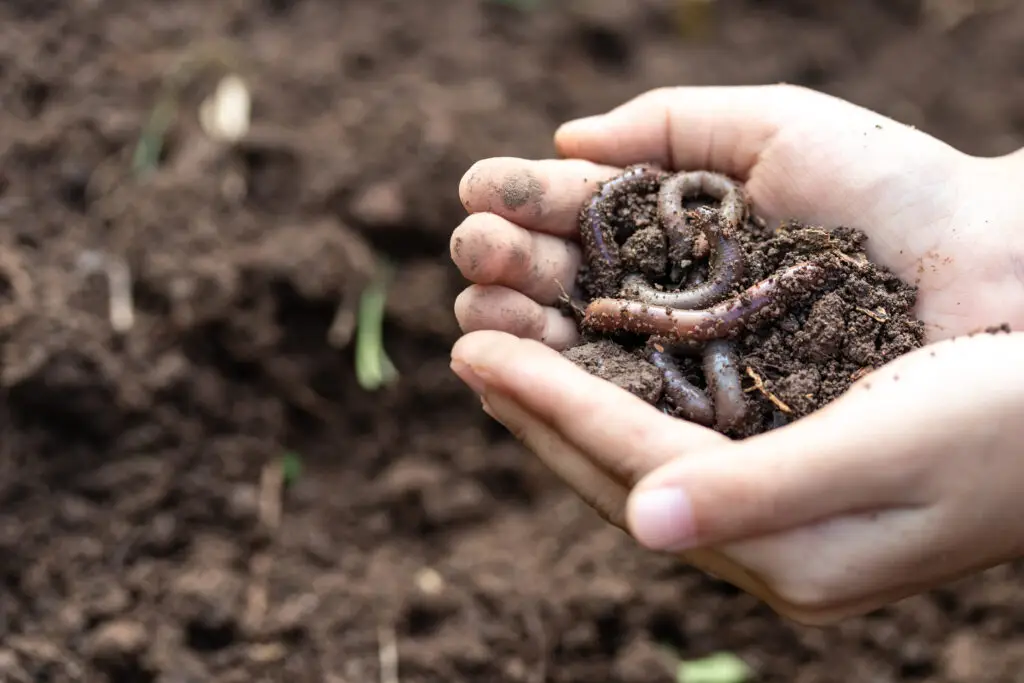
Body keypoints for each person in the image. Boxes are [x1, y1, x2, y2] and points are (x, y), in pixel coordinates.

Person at [446, 84, 1024, 626]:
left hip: (695, 310)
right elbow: (704, 317)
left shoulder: (733, 273)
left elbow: (712, 318)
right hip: (684, 308)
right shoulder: (679, 276)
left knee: (712, 332)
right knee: (708, 331)